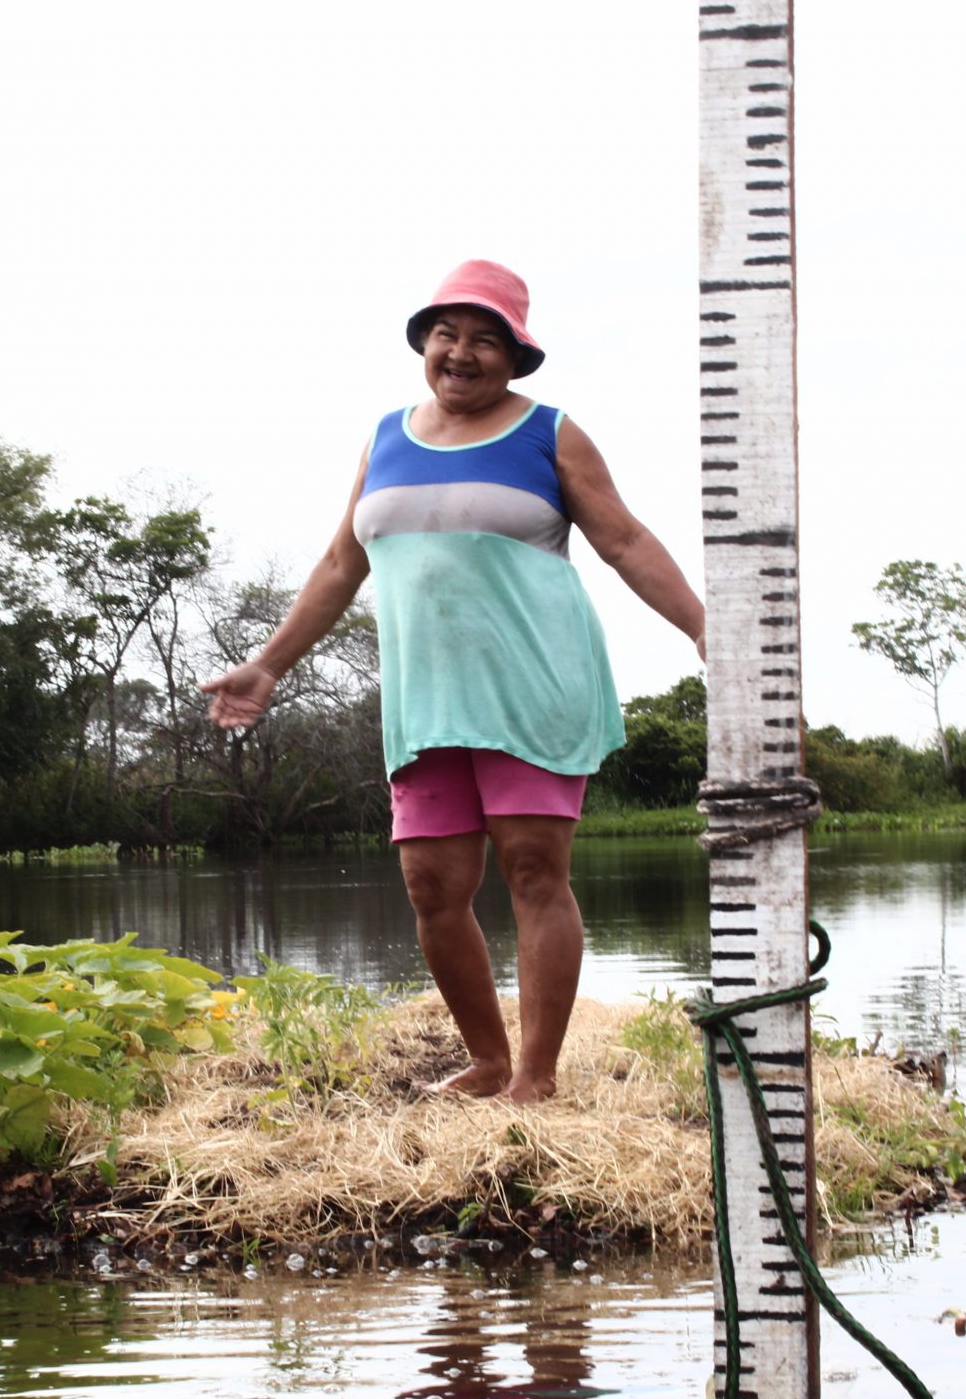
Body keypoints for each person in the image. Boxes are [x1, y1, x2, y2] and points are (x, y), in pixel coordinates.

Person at [201, 260, 704, 1103]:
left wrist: (702, 626)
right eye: (446, 334)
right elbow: (339, 563)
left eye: (484, 339)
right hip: (426, 702)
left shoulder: (550, 433)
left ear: (515, 357)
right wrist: (268, 663)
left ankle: (535, 1078)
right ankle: (490, 1059)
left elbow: (624, 540)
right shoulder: (386, 437)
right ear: (424, 345)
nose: (461, 353)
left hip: (533, 687)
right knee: (432, 885)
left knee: (535, 871)